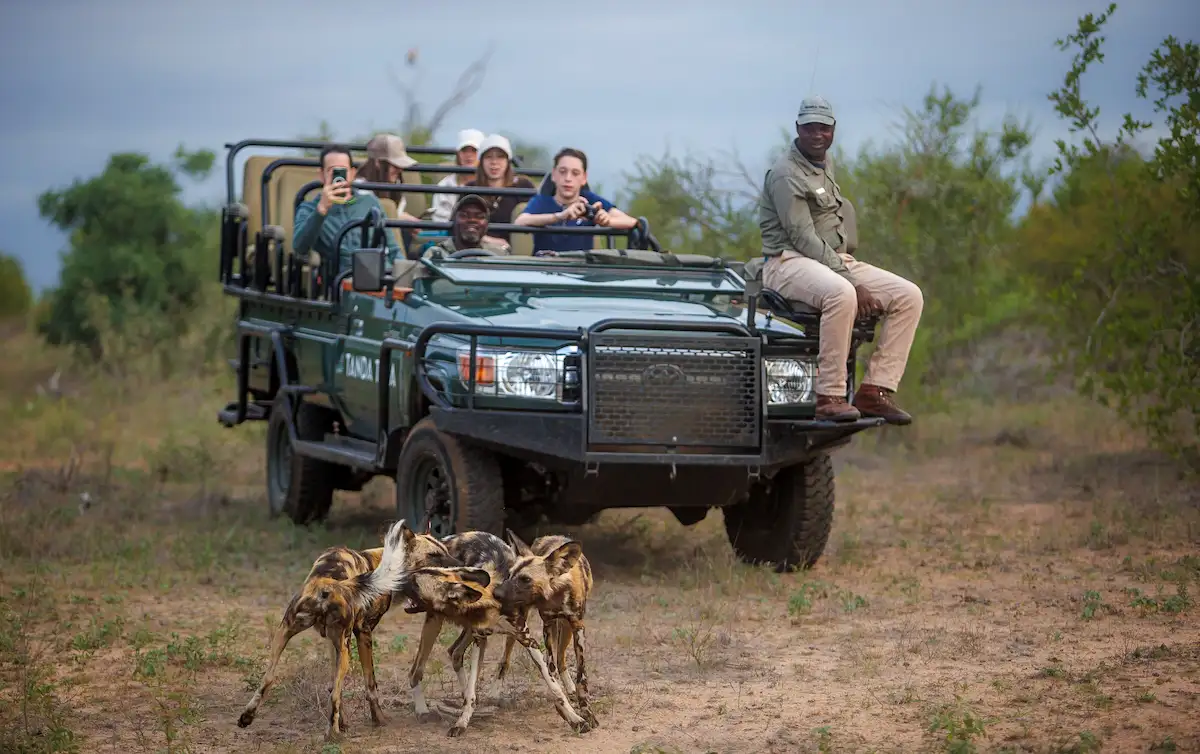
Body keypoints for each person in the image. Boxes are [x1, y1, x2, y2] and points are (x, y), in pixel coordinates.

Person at [757, 95, 923, 425]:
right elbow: (803, 238)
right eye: (809, 128)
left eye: (824, 128)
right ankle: (829, 395)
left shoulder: (823, 163)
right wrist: (851, 280)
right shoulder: (785, 174)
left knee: (909, 296)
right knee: (842, 294)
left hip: (830, 261)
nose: (817, 135)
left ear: (833, 129)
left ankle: (875, 390)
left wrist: (845, 270)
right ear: (798, 129)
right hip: (787, 263)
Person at [292, 143, 402, 272]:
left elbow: (393, 249)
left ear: (352, 173)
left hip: (377, 272)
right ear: (321, 175)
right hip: (340, 276)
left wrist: (406, 274)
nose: (339, 177)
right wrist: (321, 210)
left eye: (343, 171)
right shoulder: (310, 208)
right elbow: (300, 248)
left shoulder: (370, 202)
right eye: (333, 171)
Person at [514, 147, 638, 255]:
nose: (568, 178)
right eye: (563, 172)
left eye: (575, 173)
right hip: (545, 268)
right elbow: (520, 221)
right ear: (554, 175)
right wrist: (560, 216)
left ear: (584, 178)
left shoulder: (591, 201)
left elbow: (633, 222)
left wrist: (607, 220)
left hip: (581, 269)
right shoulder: (542, 201)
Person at [464, 133, 536, 243]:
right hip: (476, 246)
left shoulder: (523, 186)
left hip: (513, 251)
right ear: (481, 161)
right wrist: (490, 240)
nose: (494, 162)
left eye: (500, 157)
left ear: (508, 161)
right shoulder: (470, 189)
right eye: (489, 157)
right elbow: (458, 225)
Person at [355, 133, 422, 223]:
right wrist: (399, 217)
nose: (400, 169)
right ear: (378, 163)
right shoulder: (360, 190)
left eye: (401, 165)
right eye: (395, 165)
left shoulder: (396, 183)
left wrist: (402, 217)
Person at [425, 194, 511, 257]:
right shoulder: (435, 255)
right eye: (464, 215)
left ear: (486, 224)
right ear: (454, 220)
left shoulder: (499, 254)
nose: (472, 220)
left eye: (479, 216)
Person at [430, 128, 485, 223]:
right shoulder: (445, 185)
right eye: (464, 150)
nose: (469, 155)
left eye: (474, 150)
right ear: (458, 154)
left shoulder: (490, 185)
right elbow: (439, 220)